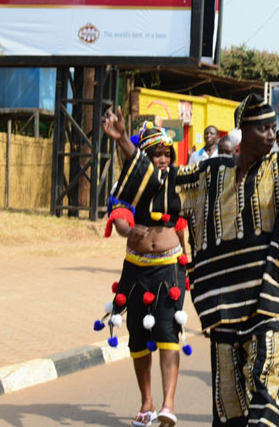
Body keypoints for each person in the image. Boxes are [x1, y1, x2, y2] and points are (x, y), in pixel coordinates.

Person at [102, 94, 279, 427]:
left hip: (270, 301)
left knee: (265, 390)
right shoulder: (207, 176)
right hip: (223, 309)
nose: (271, 135)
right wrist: (124, 141)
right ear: (243, 131)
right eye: (263, 128)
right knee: (229, 409)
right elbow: (160, 186)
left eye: (274, 128)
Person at [101, 123, 188, 427]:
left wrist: (192, 267)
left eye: (167, 154)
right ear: (144, 157)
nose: (163, 159)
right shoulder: (130, 182)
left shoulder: (179, 181)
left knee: (167, 332)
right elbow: (119, 213)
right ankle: (147, 402)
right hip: (136, 269)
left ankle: (168, 405)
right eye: (156, 154)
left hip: (169, 267)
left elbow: (185, 224)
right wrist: (127, 227)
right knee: (138, 338)